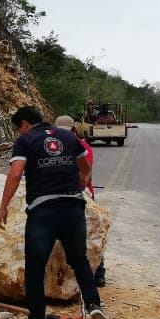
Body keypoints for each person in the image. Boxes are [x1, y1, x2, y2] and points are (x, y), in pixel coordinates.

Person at [0, 106, 108, 319]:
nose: (19, 132)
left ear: (24, 124)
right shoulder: (68, 137)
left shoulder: (26, 140)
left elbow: (16, 174)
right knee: (79, 260)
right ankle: (93, 304)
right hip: (73, 208)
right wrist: (81, 182)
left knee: (35, 268)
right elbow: (85, 166)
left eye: (18, 128)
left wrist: (3, 206)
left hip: (43, 212)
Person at [54, 114, 106, 286]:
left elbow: (86, 173)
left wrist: (79, 190)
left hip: (82, 194)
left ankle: (99, 272)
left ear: (74, 130)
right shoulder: (53, 146)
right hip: (61, 194)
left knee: (90, 233)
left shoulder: (82, 146)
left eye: (67, 131)